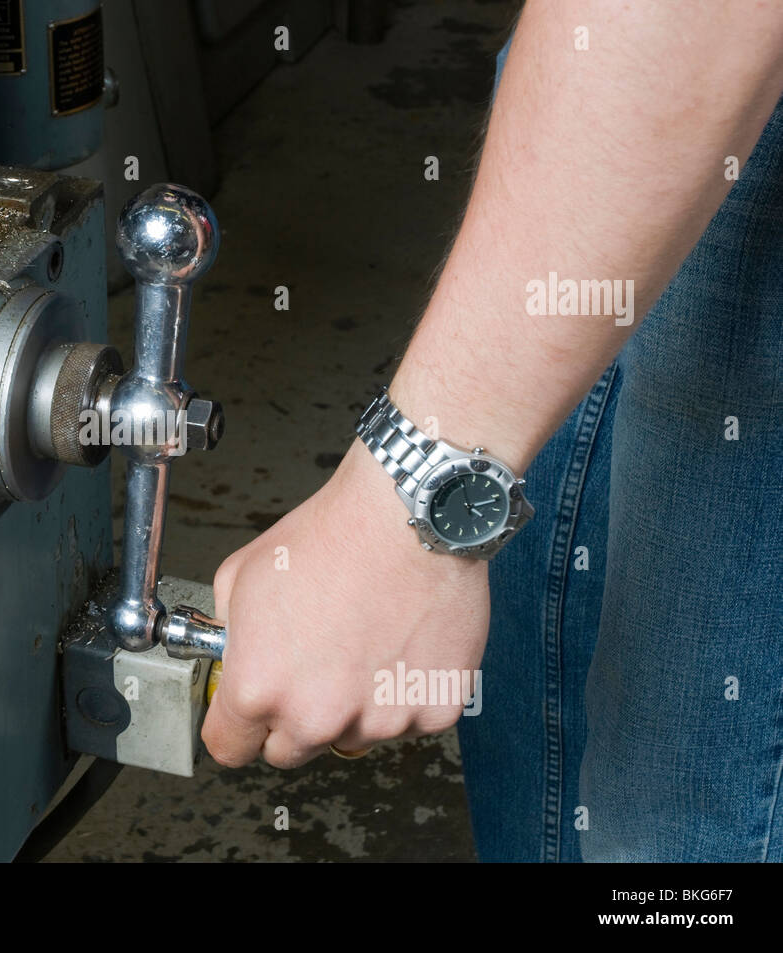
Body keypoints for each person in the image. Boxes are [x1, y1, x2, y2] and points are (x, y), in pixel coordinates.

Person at [201, 0, 783, 862]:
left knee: (676, 818)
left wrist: (402, 506)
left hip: (699, 55)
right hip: (601, 63)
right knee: (543, 724)